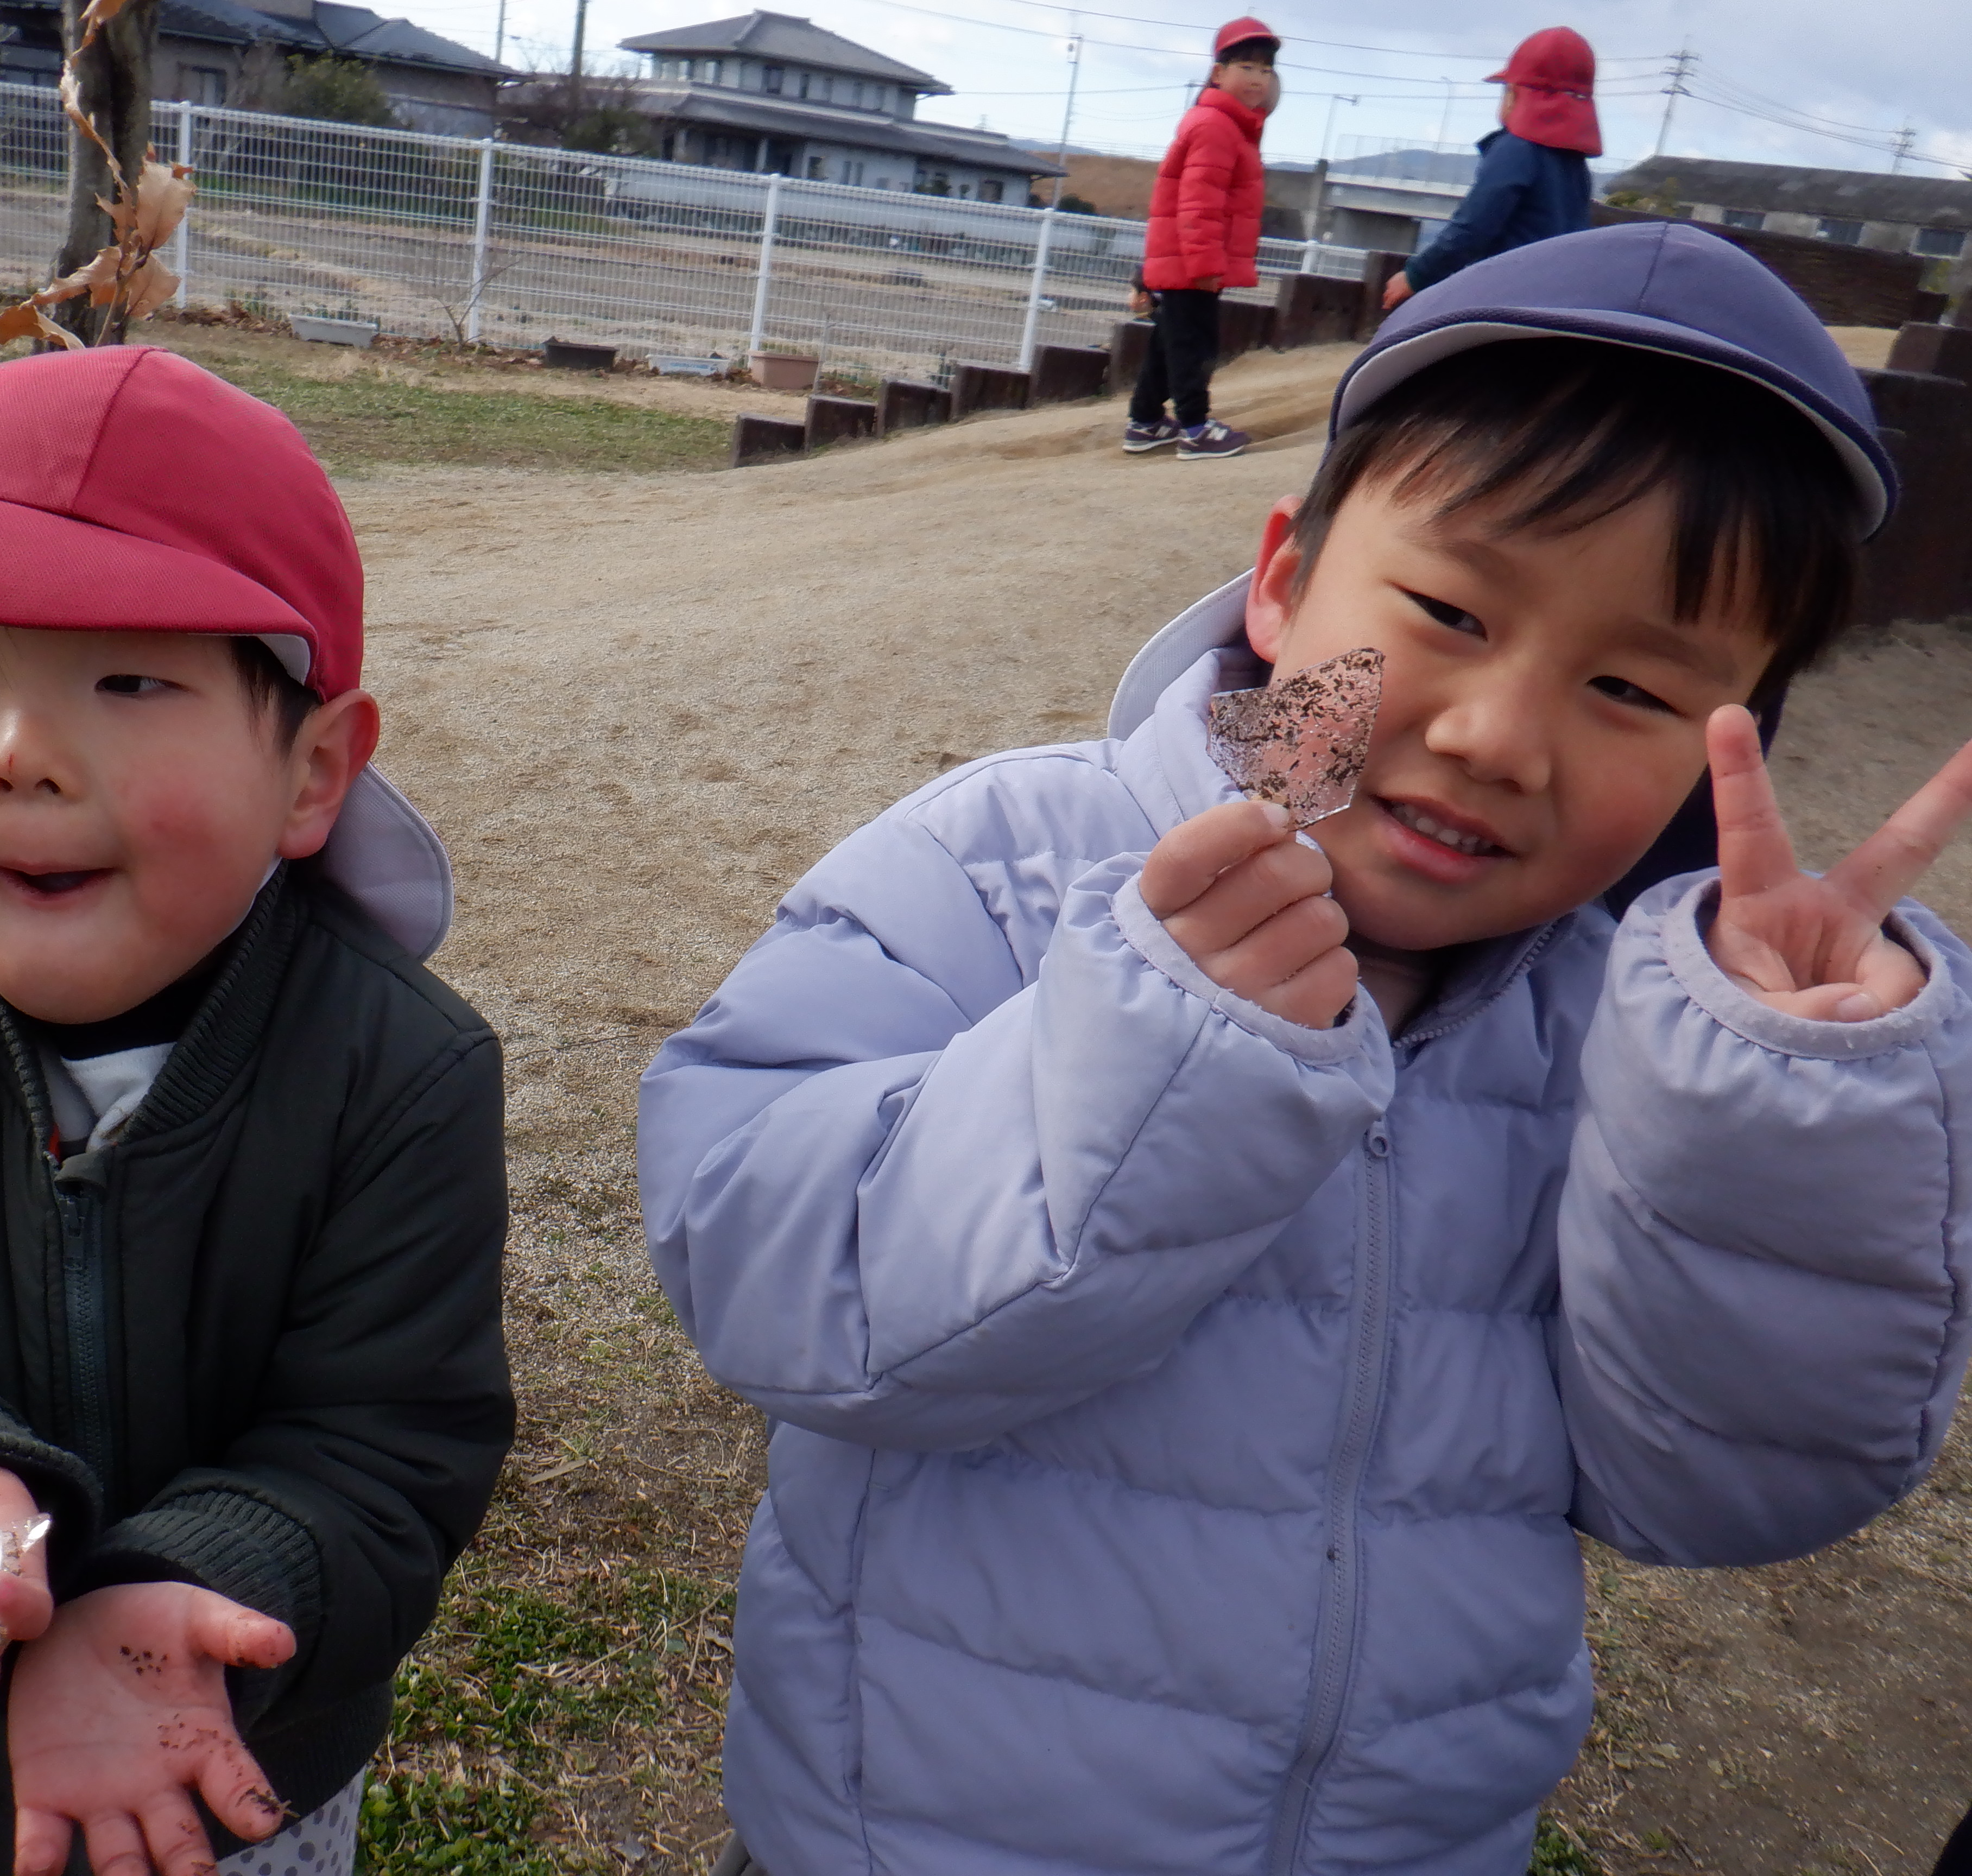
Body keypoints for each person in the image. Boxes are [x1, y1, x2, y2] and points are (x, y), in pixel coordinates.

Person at [640, 221, 1972, 1876]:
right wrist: (1164, 1053)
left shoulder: (1625, 1028)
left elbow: (1714, 1492)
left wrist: (1771, 1127)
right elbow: (764, 1278)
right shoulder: (1003, 866)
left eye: (1635, 690)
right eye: (1449, 610)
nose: (1497, 739)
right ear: (1280, 584)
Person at [0, 346, 515, 1876]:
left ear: (314, 769)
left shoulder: (398, 1069)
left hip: (228, 1756)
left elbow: (389, 1440)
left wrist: (176, 1593)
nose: (21, 757)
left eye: (128, 682)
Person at [1123, 17, 1278, 463]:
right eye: (1246, 67)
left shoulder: (1226, 124)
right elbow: (1199, 203)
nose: (1258, 78)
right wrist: (1207, 265)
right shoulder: (1217, 126)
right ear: (1218, 73)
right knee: (1193, 345)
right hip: (1193, 263)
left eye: (1266, 70)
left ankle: (1145, 422)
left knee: (1169, 341)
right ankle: (1195, 430)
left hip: (1183, 259)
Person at [1381, 28, 1598, 313]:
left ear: (1515, 94)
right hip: (1555, 303)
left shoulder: (1515, 149)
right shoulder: (1575, 165)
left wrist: (1417, 276)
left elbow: (1472, 228)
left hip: (1504, 300)